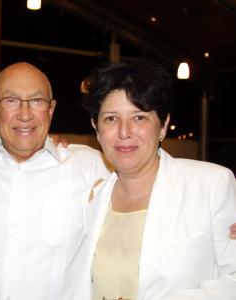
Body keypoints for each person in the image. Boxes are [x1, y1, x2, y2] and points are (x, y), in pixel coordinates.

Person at [0, 62, 110, 299]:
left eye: (36, 101)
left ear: (50, 110)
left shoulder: (92, 167)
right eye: (11, 100)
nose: (25, 114)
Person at [80, 59, 236, 300]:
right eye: (111, 118)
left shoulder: (211, 185)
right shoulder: (92, 197)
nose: (124, 132)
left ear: (163, 126)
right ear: (96, 128)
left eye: (139, 118)